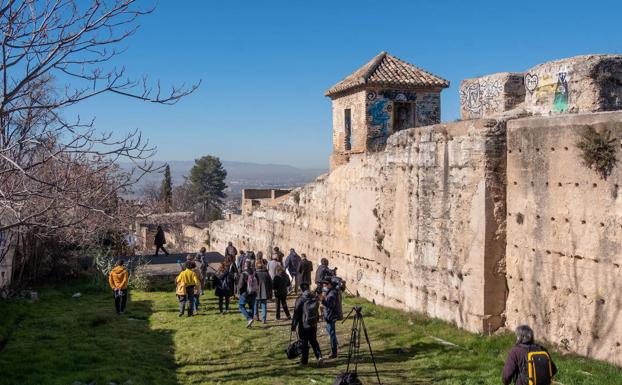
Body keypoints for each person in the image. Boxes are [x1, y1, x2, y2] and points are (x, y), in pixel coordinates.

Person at [291, 283, 323, 365]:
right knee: (313, 340)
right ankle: (319, 357)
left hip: (304, 324)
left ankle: (304, 361)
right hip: (313, 323)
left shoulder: (300, 299)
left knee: (304, 342)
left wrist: (293, 325)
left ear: (301, 289)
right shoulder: (313, 297)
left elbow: (296, 313)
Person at [321, 278, 342, 359]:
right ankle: (336, 347)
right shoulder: (330, 291)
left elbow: (331, 305)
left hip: (331, 316)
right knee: (329, 330)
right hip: (329, 315)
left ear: (330, 284)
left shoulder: (332, 293)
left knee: (332, 333)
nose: (324, 286)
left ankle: (334, 352)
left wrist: (323, 301)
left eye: (325, 284)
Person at [237, 260, 256, 328]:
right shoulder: (254, 273)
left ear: (245, 266)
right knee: (251, 307)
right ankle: (250, 321)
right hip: (253, 293)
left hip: (245, 293)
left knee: (241, 306)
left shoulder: (243, 274)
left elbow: (241, 285)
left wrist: (238, 291)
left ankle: (249, 318)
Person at [253, 259, 273, 323]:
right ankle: (264, 319)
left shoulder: (255, 273)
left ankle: (256, 316)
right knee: (264, 305)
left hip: (256, 291)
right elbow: (270, 283)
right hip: (264, 291)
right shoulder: (266, 273)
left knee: (255, 304)